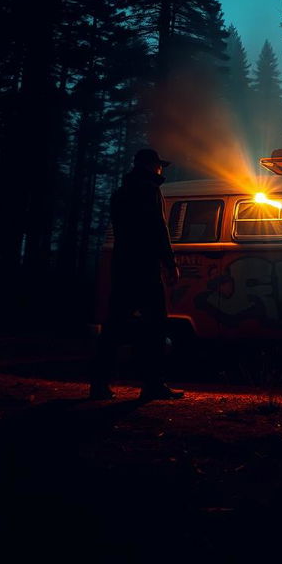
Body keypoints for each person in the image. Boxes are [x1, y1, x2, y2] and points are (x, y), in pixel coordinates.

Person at [89, 147, 183, 401]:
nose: (161, 169)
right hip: (146, 268)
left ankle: (99, 384)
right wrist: (170, 263)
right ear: (152, 165)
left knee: (113, 326)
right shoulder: (151, 190)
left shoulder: (120, 193)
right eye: (159, 165)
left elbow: (122, 231)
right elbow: (158, 229)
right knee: (155, 326)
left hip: (123, 266)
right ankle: (152, 384)